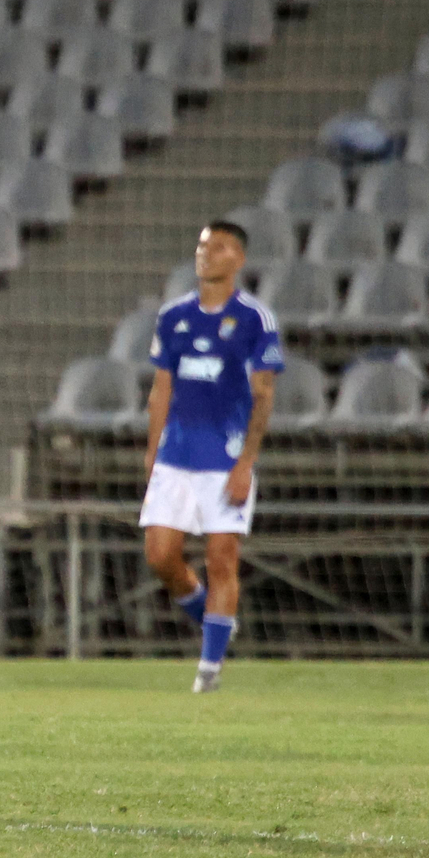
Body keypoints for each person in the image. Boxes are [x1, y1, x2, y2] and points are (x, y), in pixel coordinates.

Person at [141, 220, 282, 694]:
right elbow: (161, 389)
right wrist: (151, 452)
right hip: (176, 455)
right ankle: (213, 620)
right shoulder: (173, 317)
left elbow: (263, 395)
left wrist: (246, 464)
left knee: (223, 559)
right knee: (161, 555)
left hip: (225, 459)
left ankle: (209, 672)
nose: (207, 254)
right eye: (203, 245)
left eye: (219, 247)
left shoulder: (254, 320)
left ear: (238, 259)